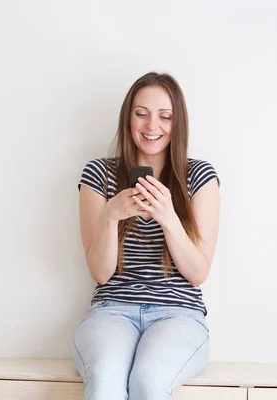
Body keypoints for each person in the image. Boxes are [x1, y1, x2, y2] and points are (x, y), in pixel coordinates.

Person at [71, 72, 221, 400]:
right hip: (112, 309)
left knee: (149, 381)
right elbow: (100, 272)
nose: (152, 126)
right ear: (128, 118)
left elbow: (198, 273)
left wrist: (168, 217)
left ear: (177, 123)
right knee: (106, 380)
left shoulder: (200, 177)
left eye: (165, 116)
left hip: (179, 313)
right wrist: (111, 215)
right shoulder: (99, 175)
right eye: (141, 114)